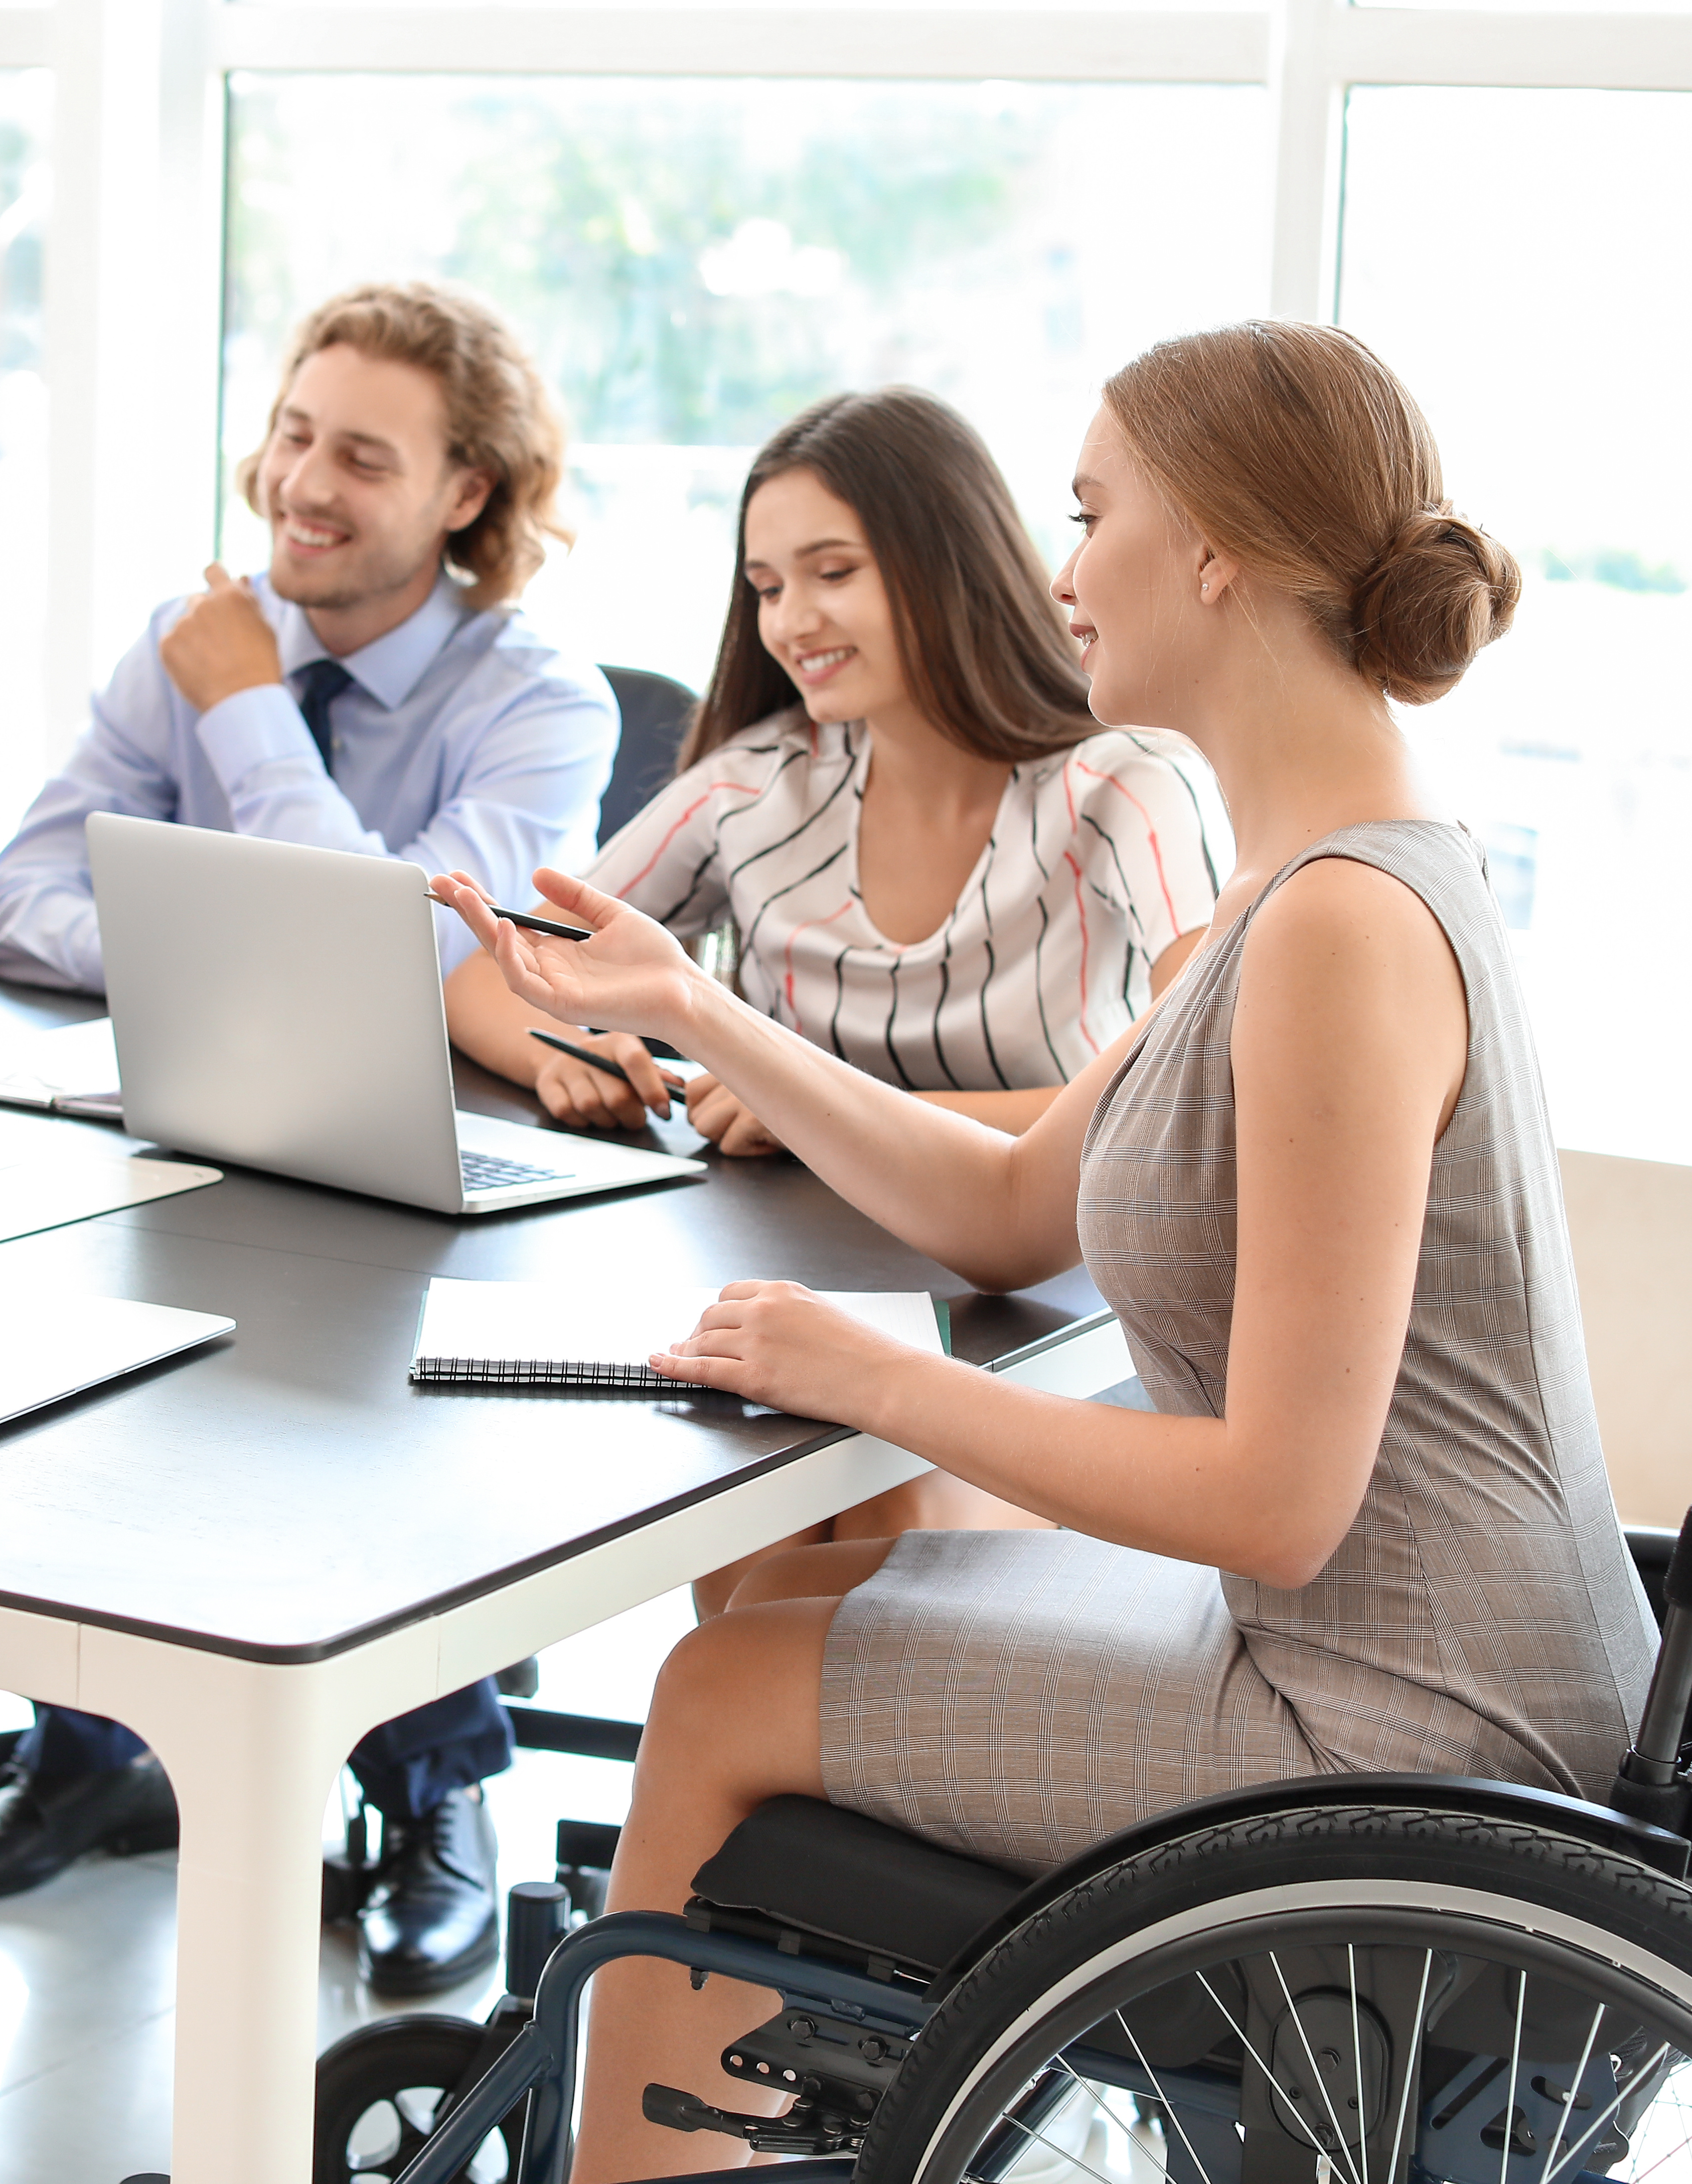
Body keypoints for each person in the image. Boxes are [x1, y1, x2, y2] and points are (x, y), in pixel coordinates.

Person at [434, 320, 1657, 2180]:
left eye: (1093, 514)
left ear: (1219, 550)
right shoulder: (1310, 876)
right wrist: (697, 1004)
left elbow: (1276, 1501)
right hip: (1406, 1666)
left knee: (717, 1692)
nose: (1063, 568)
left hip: (1409, 1726)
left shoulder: (1334, 927)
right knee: (769, 1623)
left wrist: (879, 1381)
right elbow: (1004, 1208)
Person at [0, 278, 613, 1994]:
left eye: (362, 458)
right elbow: (14, 902)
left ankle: (437, 1788)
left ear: (466, 493)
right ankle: (96, 1751)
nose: (300, 485)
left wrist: (245, 720)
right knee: (35, 1313)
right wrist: (203, 974)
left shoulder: (540, 703)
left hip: (430, 1178)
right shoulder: (187, 642)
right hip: (180, 1133)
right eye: (293, 433)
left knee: (332, 1367)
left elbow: (407, 961)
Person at [460, 386, 1229, 1615]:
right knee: (761, 1548)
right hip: (794, 1297)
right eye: (766, 586)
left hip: (1040, 1319)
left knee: (862, 1548)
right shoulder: (753, 789)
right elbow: (495, 967)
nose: (792, 619)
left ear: (945, 564)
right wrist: (564, 1048)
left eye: (833, 571)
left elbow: (1188, 1081)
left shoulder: (1124, 784)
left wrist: (818, 1100)